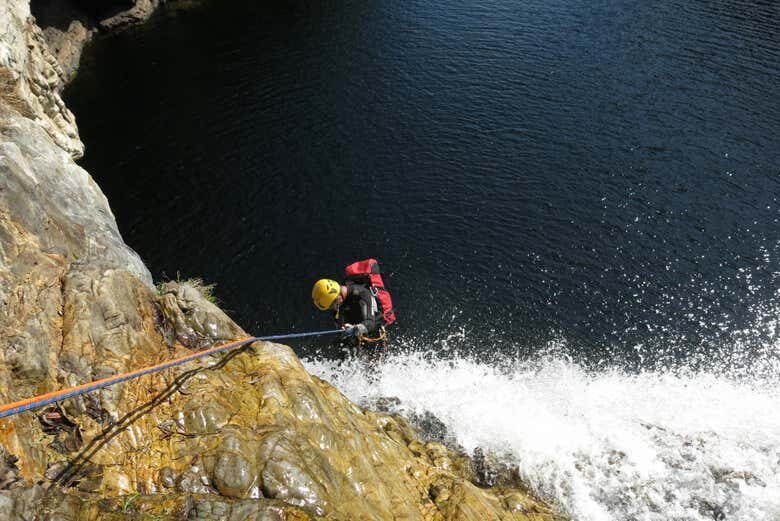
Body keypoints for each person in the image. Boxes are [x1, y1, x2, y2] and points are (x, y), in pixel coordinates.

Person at [311, 259, 396, 350]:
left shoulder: (362, 294)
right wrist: (344, 329)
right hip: (359, 326)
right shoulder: (340, 303)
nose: (333, 308)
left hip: (372, 325)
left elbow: (370, 323)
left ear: (337, 297)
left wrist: (355, 328)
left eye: (332, 305)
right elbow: (341, 323)